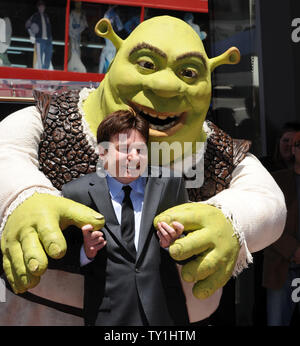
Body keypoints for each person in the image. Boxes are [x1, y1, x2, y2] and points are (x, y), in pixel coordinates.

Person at [0, 15, 286, 326]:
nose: (165, 85)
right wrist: (23, 196)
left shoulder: (215, 150)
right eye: (147, 64)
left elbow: (266, 197)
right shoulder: (55, 120)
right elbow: (7, 152)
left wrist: (231, 217)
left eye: (189, 72)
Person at [56, 109, 189, 326]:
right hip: (107, 314)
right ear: (102, 152)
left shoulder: (169, 184)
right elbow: (63, 253)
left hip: (164, 313)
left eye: (140, 150)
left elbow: (191, 245)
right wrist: (86, 252)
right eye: (125, 149)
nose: (134, 158)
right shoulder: (76, 193)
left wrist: (172, 245)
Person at [263, 131, 300, 326]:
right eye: (299, 144)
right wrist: (293, 249)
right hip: (282, 269)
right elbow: (266, 221)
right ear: (293, 150)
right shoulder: (276, 181)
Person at [25, 0, 53, 70]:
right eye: (40, 6)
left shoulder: (46, 16)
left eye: (42, 6)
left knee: (48, 58)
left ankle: (45, 73)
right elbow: (27, 25)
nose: (41, 8)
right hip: (40, 40)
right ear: (38, 7)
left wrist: (50, 38)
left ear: (44, 7)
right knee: (40, 60)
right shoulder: (35, 15)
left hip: (48, 40)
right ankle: (41, 75)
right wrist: (31, 35)